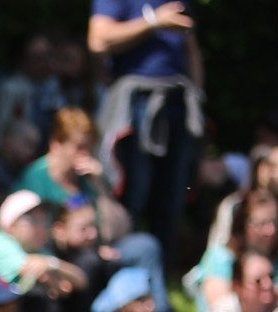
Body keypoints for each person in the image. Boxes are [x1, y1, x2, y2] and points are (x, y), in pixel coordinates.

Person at [87, 0, 203, 256]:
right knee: (132, 191)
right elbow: (97, 40)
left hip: (178, 100)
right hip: (135, 102)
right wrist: (153, 23)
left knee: (172, 196)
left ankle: (158, 275)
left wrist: (198, 95)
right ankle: (122, 275)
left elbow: (191, 48)